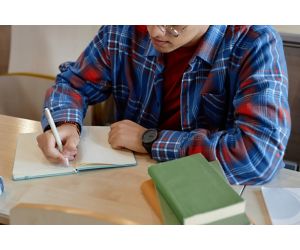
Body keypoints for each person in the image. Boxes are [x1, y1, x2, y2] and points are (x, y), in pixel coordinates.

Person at [37, 25, 291, 185]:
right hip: (126, 185)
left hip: (206, 194)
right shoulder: (122, 29)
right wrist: (65, 122)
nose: (155, 31)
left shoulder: (255, 42)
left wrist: (150, 140)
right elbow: (72, 84)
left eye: (173, 21)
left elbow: (260, 156)